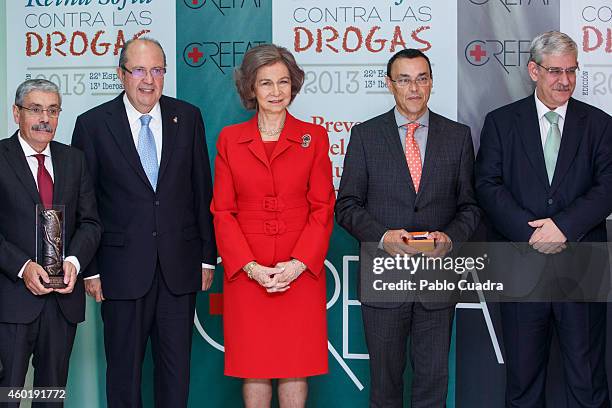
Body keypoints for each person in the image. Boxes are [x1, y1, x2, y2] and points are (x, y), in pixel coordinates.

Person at [71, 38, 216, 408]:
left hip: (179, 269)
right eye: (138, 70)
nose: (148, 80)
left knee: (175, 373)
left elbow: (202, 190)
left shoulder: (188, 116)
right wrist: (90, 268)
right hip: (119, 272)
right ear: (122, 75)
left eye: (157, 70)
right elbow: (83, 204)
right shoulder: (92, 125)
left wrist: (205, 257)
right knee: (123, 375)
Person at [335, 49, 480, 407]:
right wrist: (383, 237)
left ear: (431, 82)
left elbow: (470, 207)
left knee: (433, 384)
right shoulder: (366, 136)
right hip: (384, 277)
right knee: (385, 387)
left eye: (422, 78)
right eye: (404, 79)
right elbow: (347, 206)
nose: (414, 88)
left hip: (436, 280)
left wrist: (451, 237)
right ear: (389, 84)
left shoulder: (458, 136)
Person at [475, 31, 612, 407]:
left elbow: (608, 186)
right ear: (534, 70)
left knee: (588, 379)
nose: (565, 80)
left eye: (571, 70)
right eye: (554, 71)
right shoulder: (502, 122)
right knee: (523, 382)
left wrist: (563, 226)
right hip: (521, 264)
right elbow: (487, 185)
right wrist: (530, 232)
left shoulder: (600, 124)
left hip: (582, 266)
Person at [211, 43, 335, 408]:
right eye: (266, 83)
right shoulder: (230, 140)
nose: (276, 92)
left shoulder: (314, 137)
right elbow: (222, 211)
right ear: (251, 88)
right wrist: (250, 267)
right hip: (248, 274)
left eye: (283, 82)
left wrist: (297, 265)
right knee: (254, 366)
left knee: (296, 366)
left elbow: (323, 208)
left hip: (300, 273)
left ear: (293, 86)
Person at [0, 79, 102, 407]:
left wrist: (73, 263)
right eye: (36, 109)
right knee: (9, 392)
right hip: (13, 300)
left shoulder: (74, 160)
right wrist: (22, 266)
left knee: (51, 394)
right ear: (16, 113)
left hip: (61, 302)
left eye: (53, 110)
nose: (45, 118)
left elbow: (90, 223)